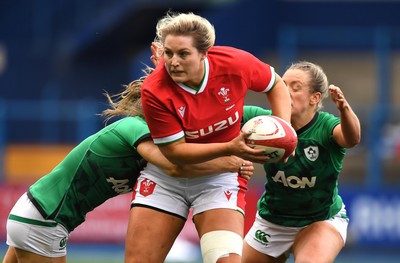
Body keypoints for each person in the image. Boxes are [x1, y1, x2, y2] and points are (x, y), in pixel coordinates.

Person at [2, 72, 254, 263]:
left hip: (33, 214)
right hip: (46, 218)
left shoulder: (159, 140)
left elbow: (245, 113)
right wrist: (228, 161)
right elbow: (175, 167)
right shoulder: (133, 127)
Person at [125, 11, 292, 263]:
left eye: (183, 54)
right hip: (166, 180)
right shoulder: (155, 90)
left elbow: (276, 85)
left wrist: (284, 131)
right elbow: (176, 154)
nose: (173, 62)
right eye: (168, 53)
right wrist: (229, 148)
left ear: (205, 52)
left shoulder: (235, 64)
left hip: (219, 180)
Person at [242, 61, 361, 263]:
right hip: (273, 221)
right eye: (282, 85)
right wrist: (232, 156)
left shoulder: (325, 126)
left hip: (320, 219)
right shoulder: (263, 122)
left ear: (315, 98)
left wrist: (344, 108)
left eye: (295, 87)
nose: (286, 92)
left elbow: (352, 139)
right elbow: (221, 118)